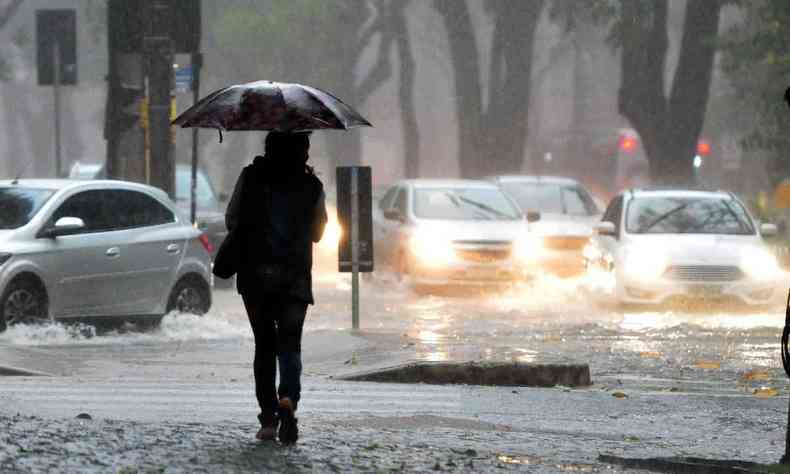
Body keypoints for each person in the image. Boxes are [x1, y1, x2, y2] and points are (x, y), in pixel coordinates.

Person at [225, 131, 327, 444]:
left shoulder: (251, 177)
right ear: (301, 151)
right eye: (306, 147)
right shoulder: (312, 186)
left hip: (255, 276)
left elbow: (232, 220)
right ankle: (288, 399)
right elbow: (318, 233)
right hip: (294, 278)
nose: (308, 153)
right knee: (290, 344)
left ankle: (268, 418)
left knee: (264, 346)